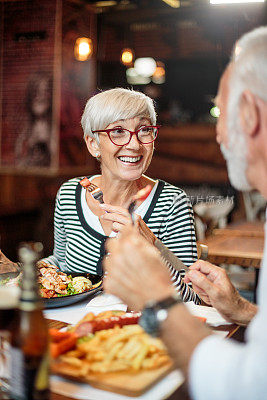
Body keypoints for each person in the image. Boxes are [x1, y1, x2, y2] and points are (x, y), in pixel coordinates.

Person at [103, 26, 267, 400]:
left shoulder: (170, 199)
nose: (219, 136)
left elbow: (251, 388)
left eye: (221, 114)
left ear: (249, 114)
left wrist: (157, 301)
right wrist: (241, 309)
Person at [1, 88, 199, 303]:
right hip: (74, 327)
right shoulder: (70, 193)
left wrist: (151, 248)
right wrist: (17, 273)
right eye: (118, 131)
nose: (134, 145)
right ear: (93, 144)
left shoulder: (171, 202)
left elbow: (192, 299)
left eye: (144, 130)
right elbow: (62, 264)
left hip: (140, 331)